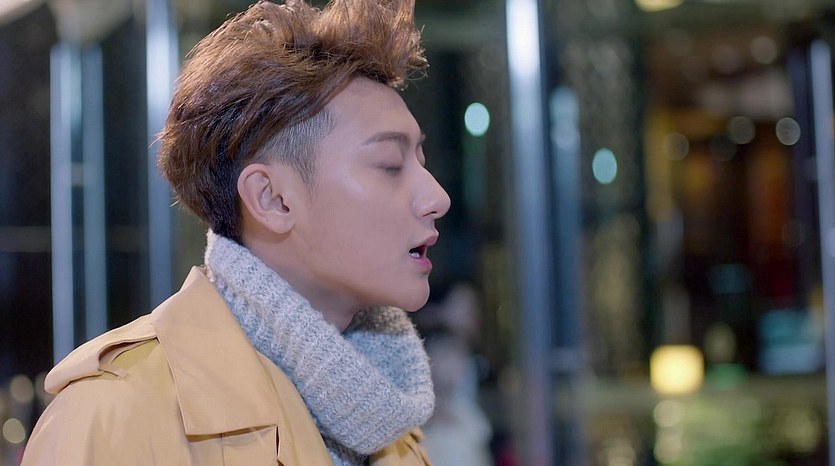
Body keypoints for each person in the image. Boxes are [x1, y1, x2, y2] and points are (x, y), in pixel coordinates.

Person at [21, 0, 450, 464]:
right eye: (390, 165)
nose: (437, 197)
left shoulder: (389, 429)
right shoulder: (113, 417)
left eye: (420, 161)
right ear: (272, 199)